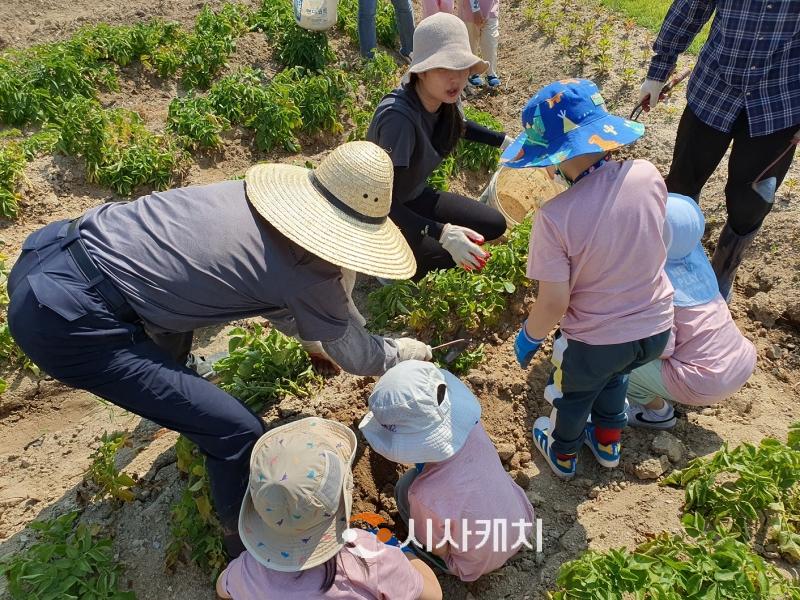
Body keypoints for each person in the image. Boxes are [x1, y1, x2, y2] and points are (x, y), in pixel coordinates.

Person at [6, 141, 432, 556]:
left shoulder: (252, 199)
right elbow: (359, 356)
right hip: (67, 321)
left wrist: (313, 339)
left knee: (177, 326)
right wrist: (411, 352)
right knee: (236, 431)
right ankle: (245, 550)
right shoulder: (312, 273)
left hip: (53, 250)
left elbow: (271, 297)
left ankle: (183, 397)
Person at [505, 79, 674, 479]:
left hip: (595, 340)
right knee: (617, 378)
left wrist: (530, 335)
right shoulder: (647, 174)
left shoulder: (554, 218)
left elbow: (554, 304)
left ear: (552, 158)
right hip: (655, 330)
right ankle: (608, 443)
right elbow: (656, 239)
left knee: (573, 394)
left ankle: (562, 453)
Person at [639, 0, 800, 302]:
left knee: (749, 203)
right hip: (713, 91)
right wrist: (659, 70)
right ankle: (675, 260)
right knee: (682, 185)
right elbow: (691, 7)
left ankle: (722, 273)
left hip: (779, 104)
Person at [215, 416, 443, 600]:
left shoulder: (248, 571)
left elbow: (222, 588)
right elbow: (433, 595)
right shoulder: (367, 557)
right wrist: (404, 553)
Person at [359, 361, 535, 581]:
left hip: (473, 566)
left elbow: (439, 548)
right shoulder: (473, 427)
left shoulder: (423, 495)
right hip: (521, 523)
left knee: (403, 489)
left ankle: (433, 554)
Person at [367, 12, 510, 280]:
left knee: (493, 225)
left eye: (461, 68)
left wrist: (503, 141)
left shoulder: (444, 101)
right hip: (379, 214)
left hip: (413, 195)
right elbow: (383, 201)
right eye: (444, 68)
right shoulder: (398, 119)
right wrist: (442, 233)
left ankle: (420, 246)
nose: (455, 78)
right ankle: (384, 263)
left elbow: (460, 126)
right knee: (446, 256)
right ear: (420, 72)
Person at [627, 193, 757, 429]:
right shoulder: (697, 266)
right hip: (741, 362)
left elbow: (660, 348)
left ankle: (658, 413)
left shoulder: (661, 288)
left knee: (618, 361)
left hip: (706, 381)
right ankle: (674, 385)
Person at [461, 0, 501, 88]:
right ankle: (472, 73)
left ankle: (491, 74)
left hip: (491, 8)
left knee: (490, 42)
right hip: (469, 11)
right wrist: (475, 10)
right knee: (471, 42)